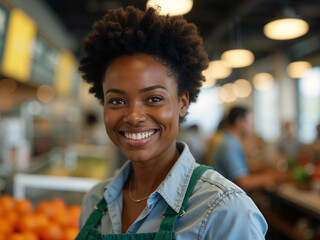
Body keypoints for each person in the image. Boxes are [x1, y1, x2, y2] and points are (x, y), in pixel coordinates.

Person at [76, 6, 267, 239]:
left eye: (154, 98)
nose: (134, 116)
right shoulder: (96, 201)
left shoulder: (226, 211)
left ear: (182, 103)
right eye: (116, 100)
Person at [213, 106, 288, 191]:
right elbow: (243, 182)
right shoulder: (229, 145)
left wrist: (264, 166)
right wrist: (273, 175)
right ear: (239, 121)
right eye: (250, 122)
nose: (252, 127)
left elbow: (242, 171)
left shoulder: (230, 141)